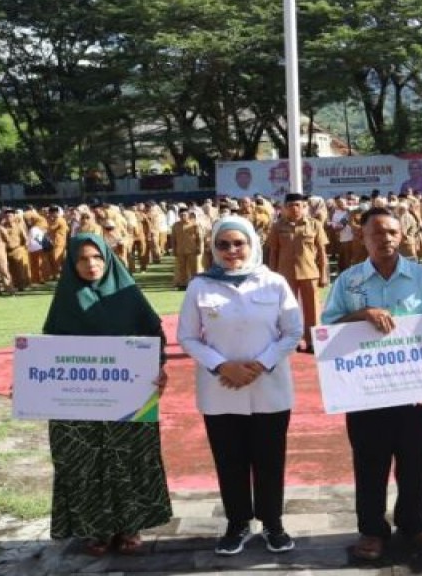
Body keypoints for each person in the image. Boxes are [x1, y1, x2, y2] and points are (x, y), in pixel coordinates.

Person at [320, 207, 422, 560]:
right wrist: (362, 314)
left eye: (391, 232)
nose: (385, 239)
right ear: (363, 237)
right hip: (366, 392)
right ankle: (372, 530)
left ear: (402, 235)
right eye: (376, 233)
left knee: (415, 461)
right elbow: (327, 331)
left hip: (414, 391)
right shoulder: (348, 282)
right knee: (370, 462)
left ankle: (414, 524)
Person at [177, 216, 304, 556]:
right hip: (220, 389)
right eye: (223, 244)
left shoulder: (274, 283)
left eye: (238, 243)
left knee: (270, 459)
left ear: (252, 245)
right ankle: (237, 523)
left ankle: (273, 523)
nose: (231, 251)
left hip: (269, 387)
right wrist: (223, 366)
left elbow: (293, 331)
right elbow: (187, 337)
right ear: (214, 248)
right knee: (229, 460)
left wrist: (260, 363)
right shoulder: (200, 286)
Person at [41, 234, 172, 555]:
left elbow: (154, 335)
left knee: (127, 458)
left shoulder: (127, 295)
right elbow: (48, 351)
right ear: (72, 263)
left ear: (108, 258)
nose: (91, 265)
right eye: (83, 259)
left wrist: (158, 368)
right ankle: (94, 529)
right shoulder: (66, 299)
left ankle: (130, 525)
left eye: (97, 258)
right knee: (85, 461)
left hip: (128, 397)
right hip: (79, 403)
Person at [265, 192, 329, 353]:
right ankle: (290, 342)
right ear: (285, 208)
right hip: (285, 274)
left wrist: (324, 274)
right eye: (290, 206)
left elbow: (322, 252)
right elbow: (273, 252)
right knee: (286, 310)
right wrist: (272, 276)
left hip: (309, 272)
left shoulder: (315, 225)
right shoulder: (278, 226)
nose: (294, 209)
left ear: (304, 207)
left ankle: (312, 341)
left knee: (312, 309)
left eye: (298, 205)